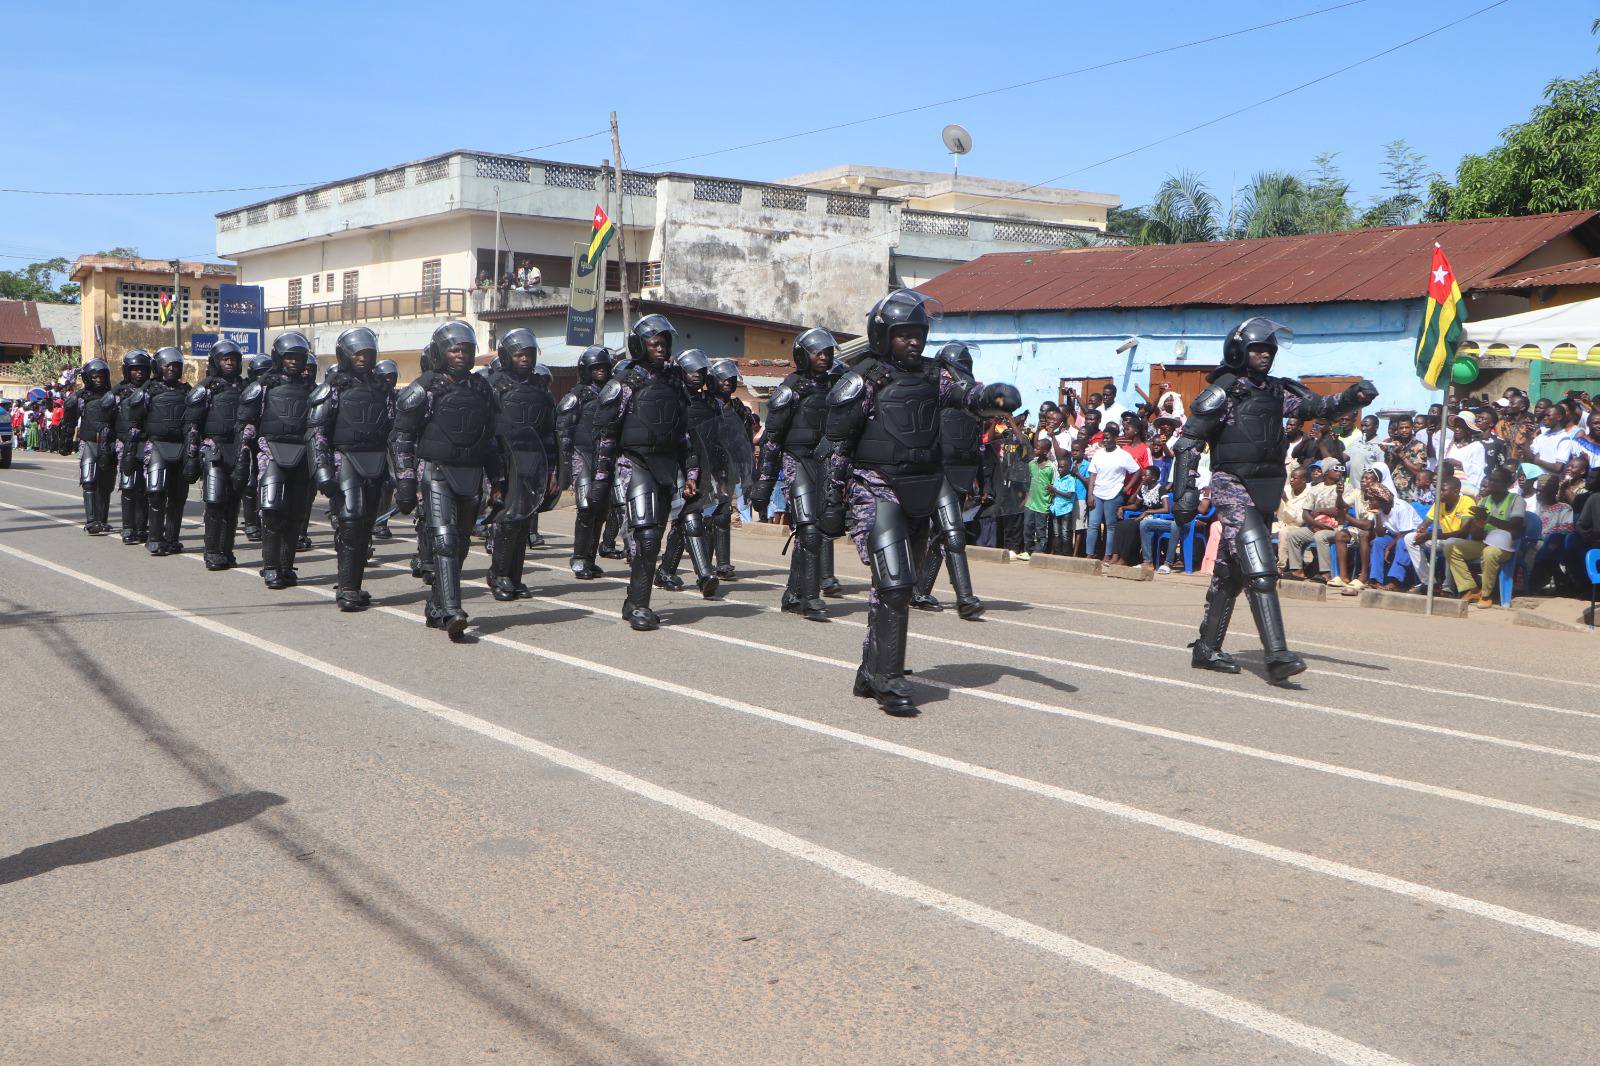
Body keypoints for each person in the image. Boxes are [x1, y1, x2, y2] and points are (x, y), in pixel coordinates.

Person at [821, 289, 1019, 715]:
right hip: (876, 486)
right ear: (883, 335)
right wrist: (832, 501)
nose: (913, 341)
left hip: (922, 489)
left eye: (918, 334)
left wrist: (993, 398)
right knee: (894, 583)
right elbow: (838, 445)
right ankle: (889, 680)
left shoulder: (934, 375)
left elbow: (965, 396)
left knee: (896, 588)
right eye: (903, 334)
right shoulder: (863, 379)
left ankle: (871, 669)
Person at [1171, 316, 1377, 683]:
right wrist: (1184, 493)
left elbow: (1319, 407)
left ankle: (1206, 648)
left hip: (1266, 486)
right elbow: (1189, 441)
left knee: (1232, 571)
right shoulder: (1224, 391)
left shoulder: (1277, 390)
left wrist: (1352, 397)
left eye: (1269, 349)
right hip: (1232, 483)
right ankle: (1277, 654)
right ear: (1239, 351)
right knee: (1260, 564)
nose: (1266, 355)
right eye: (1258, 349)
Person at [591, 314, 713, 631]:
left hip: (667, 467)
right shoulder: (624, 383)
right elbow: (606, 436)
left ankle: (633, 601)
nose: (660, 349)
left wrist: (691, 475)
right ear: (639, 345)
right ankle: (640, 607)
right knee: (645, 539)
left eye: (664, 344)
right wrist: (601, 480)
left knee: (655, 538)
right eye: (654, 343)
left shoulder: (675, 384)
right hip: (634, 464)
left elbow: (685, 436)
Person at [392, 321, 505, 639]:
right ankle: (453, 611)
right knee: (445, 541)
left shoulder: (482, 388)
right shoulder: (424, 388)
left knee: (462, 544)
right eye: (455, 349)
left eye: (466, 350)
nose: (461, 355)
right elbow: (402, 437)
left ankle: (437, 604)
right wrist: (405, 481)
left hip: (471, 474)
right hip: (437, 472)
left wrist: (498, 481)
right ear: (441, 353)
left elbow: (491, 440)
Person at [753, 327, 843, 620]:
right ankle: (810, 598)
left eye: (827, 352)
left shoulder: (836, 387)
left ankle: (793, 594)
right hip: (796, 461)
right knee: (809, 530)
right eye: (817, 352)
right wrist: (764, 484)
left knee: (815, 533)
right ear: (803, 355)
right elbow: (772, 440)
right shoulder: (789, 389)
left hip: (825, 464)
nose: (824, 357)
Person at [309, 327, 393, 610]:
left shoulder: (382, 389)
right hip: (344, 459)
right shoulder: (332, 388)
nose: (362, 358)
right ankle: (346, 588)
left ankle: (355, 585)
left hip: (375, 462)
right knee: (350, 521)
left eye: (367, 353)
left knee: (366, 524)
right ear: (345, 355)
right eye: (357, 353)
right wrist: (322, 469)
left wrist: (400, 471)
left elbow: (395, 430)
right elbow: (317, 432)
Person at [479, 328, 557, 602]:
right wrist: (492, 473)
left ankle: (514, 576)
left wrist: (552, 470)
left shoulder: (540, 387)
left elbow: (550, 432)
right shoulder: (492, 385)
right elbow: (485, 428)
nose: (525, 358)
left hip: (532, 461)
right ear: (507, 356)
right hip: (502, 460)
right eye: (519, 354)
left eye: (529, 354)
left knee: (523, 522)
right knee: (508, 520)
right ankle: (498, 574)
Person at [910, 341, 987, 617]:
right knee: (953, 532)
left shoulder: (971, 398)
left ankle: (919, 591)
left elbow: (975, 443)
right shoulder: (935, 391)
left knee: (942, 533)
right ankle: (965, 599)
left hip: (961, 472)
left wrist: (980, 480)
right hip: (937, 470)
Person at [237, 333, 317, 590]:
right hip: (270, 451)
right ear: (279, 358)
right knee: (272, 511)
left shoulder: (312, 390)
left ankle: (286, 565)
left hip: (302, 454)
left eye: (298, 357)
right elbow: (247, 424)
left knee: (296, 513)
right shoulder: (263, 386)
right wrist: (243, 459)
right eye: (288, 357)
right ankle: (271, 566)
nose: (293, 361)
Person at [653, 348, 721, 595]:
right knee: (689, 519)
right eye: (691, 371)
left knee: (687, 520)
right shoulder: (668, 396)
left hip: (698, 466)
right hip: (669, 466)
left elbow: (718, 440)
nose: (697, 375)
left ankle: (667, 572)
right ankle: (704, 574)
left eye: (701, 371)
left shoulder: (710, 404)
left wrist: (722, 472)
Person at [186, 340, 248, 570]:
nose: (230, 363)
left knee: (233, 504)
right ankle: (212, 551)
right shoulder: (205, 389)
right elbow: (193, 425)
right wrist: (191, 457)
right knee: (214, 502)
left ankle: (227, 550)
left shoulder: (245, 388)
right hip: (214, 449)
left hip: (238, 449)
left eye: (233, 359)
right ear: (216, 361)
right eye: (225, 359)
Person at [557, 345, 615, 580]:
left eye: (603, 367)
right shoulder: (576, 395)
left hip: (605, 458)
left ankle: (590, 559)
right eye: (595, 367)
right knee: (586, 508)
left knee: (601, 511)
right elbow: (564, 432)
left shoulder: (614, 393)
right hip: (582, 456)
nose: (600, 370)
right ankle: (579, 558)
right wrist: (564, 468)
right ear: (586, 369)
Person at [705, 358, 759, 579]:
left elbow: (745, 442)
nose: (727, 382)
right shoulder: (704, 404)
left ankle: (723, 564)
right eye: (722, 378)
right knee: (709, 515)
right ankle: (705, 563)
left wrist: (749, 472)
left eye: (731, 378)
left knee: (723, 513)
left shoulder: (738, 408)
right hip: (706, 467)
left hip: (729, 468)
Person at [1444, 466, 1525, 607]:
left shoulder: (1516, 500)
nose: (1491, 483)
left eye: (1496, 481)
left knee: (1489, 552)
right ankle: (1471, 589)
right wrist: (1478, 524)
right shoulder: (1483, 501)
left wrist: (1488, 519)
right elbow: (1476, 536)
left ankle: (1486, 595)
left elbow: (1516, 527)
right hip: (1485, 541)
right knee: (1450, 545)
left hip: (1505, 546)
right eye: (1491, 480)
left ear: (1507, 484)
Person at [59, 359, 116, 535]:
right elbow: (69, 421)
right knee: (89, 480)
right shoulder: (80, 397)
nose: (98, 379)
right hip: (88, 442)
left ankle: (102, 520)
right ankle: (91, 521)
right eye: (95, 376)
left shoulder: (114, 396)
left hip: (110, 443)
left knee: (106, 483)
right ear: (87, 378)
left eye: (101, 376)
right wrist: (66, 441)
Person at [111, 349, 154, 545]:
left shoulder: (153, 389)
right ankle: (128, 527)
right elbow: (105, 415)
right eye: (135, 369)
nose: (139, 373)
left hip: (147, 442)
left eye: (142, 369)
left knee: (146, 487)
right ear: (127, 371)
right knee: (128, 486)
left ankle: (142, 527)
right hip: (125, 442)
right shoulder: (118, 391)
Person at [1404, 474, 1476, 592]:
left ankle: (1447, 588)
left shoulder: (1467, 502)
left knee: (1450, 543)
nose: (1439, 493)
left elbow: (1463, 533)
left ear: (1455, 492)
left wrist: (1431, 535)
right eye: (1438, 490)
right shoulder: (1439, 503)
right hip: (1443, 539)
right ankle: (1429, 583)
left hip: (1462, 543)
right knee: (1410, 538)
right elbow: (1426, 522)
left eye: (1443, 490)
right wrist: (1421, 529)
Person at [1084, 421, 1138, 560]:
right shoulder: (1098, 454)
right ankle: (1089, 554)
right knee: (1093, 524)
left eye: (1108, 438)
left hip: (1114, 494)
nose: (1105, 440)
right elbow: (1093, 475)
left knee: (1111, 526)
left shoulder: (1123, 455)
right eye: (1104, 438)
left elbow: (1137, 471)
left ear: (1115, 438)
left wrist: (1127, 487)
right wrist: (1090, 494)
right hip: (1097, 493)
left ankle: (1108, 556)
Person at [239, 353, 272, 542]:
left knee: (267, 480)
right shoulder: (248, 390)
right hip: (251, 438)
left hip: (270, 439)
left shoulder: (277, 388)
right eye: (260, 373)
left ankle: (266, 520)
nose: (264, 377)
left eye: (267, 372)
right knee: (250, 480)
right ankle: (251, 522)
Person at [371, 358, 400, 540]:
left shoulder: (398, 397)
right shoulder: (370, 394)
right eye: (386, 377)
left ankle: (381, 523)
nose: (389, 380)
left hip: (390, 445)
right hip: (371, 446)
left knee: (389, 484)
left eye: (392, 377)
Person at [1275, 465, 1315, 578]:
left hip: (1297, 526)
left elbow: (1299, 520)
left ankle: (1281, 567)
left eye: (1295, 478)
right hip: (1279, 523)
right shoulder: (1286, 489)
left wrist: (1286, 500)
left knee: (1284, 532)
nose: (1291, 480)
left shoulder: (1310, 494)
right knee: (1262, 530)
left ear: (1303, 480)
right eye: (1291, 477)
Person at [1020, 436, 1055, 561]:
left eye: (1038, 448)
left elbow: (1053, 486)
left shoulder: (1051, 467)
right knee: (1027, 527)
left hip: (1043, 504)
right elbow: (1028, 482)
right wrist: (1026, 498)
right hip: (1030, 503)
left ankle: (1039, 552)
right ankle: (1028, 550)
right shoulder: (1031, 464)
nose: (1035, 450)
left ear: (1045, 451)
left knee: (1041, 530)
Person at [1047, 452, 1081, 555]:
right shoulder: (1057, 478)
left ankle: (1066, 553)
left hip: (1065, 510)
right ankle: (1058, 552)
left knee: (1065, 532)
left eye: (1062, 467)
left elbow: (1069, 495)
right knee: (1056, 533)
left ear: (1068, 468)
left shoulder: (1071, 479)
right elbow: (1055, 493)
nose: (1059, 469)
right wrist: (1051, 490)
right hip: (1056, 509)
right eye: (1059, 467)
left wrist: (1055, 490)